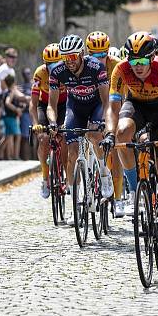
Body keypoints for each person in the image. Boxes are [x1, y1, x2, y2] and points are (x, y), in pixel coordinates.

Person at [102, 32, 158, 263]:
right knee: (122, 132)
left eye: (142, 62)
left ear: (152, 58)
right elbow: (112, 108)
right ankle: (134, 187)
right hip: (136, 105)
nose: (137, 66)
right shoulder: (122, 69)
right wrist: (109, 134)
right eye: (133, 61)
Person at [48, 34, 113, 199]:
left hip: (97, 105)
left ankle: (104, 173)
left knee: (95, 135)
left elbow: (106, 102)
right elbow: (51, 105)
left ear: (82, 53)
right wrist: (53, 122)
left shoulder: (96, 67)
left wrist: (104, 122)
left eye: (72, 56)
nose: (69, 61)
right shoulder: (57, 71)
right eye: (65, 57)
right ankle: (75, 202)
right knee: (72, 153)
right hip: (75, 108)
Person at [85, 31, 128, 217]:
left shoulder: (116, 65)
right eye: (94, 55)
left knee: (117, 147)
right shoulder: (85, 66)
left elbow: (125, 95)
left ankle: (118, 199)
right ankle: (99, 171)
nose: (99, 59)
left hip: (114, 104)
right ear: (88, 53)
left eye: (103, 54)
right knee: (93, 135)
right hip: (93, 104)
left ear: (108, 52)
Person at [30, 44, 67, 199]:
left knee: (66, 138)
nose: (52, 67)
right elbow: (33, 103)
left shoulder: (66, 71)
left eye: (56, 64)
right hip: (45, 105)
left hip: (64, 104)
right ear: (44, 64)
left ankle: (67, 174)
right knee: (44, 139)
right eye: (49, 64)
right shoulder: (40, 73)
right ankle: (45, 177)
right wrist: (35, 123)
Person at [0, 74, 26, 159]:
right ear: (13, 82)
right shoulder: (11, 92)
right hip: (10, 117)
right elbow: (7, 103)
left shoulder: (6, 92)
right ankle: (16, 156)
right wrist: (16, 109)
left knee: (7, 136)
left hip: (8, 117)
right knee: (17, 135)